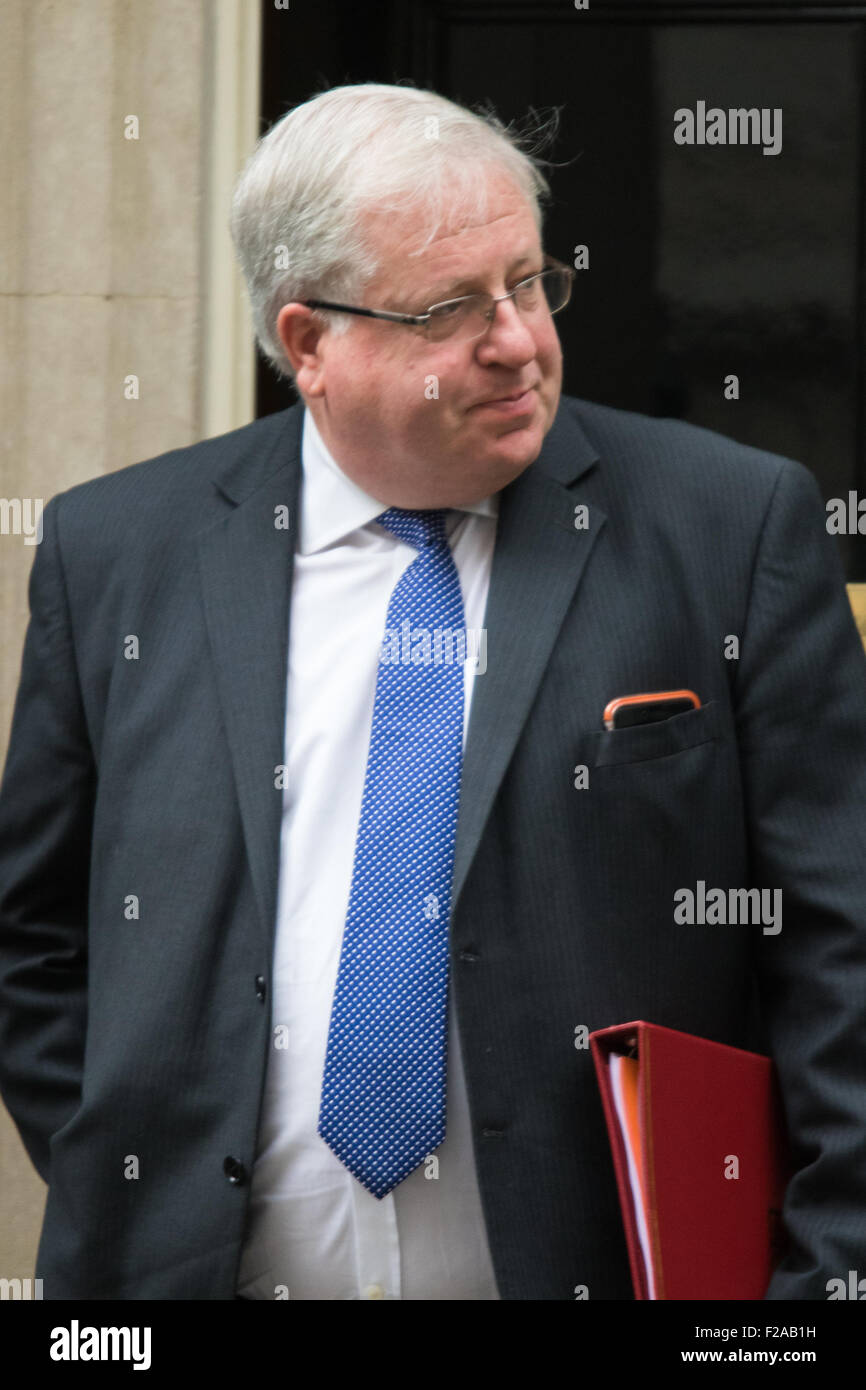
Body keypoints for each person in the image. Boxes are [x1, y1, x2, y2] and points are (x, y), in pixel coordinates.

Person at [1, 81, 865, 1302]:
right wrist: (133, 1183)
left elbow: (840, 948)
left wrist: (816, 1290)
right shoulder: (117, 555)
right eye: (449, 309)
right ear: (310, 343)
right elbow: (36, 938)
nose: (515, 339)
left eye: (526, 281)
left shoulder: (729, 528)